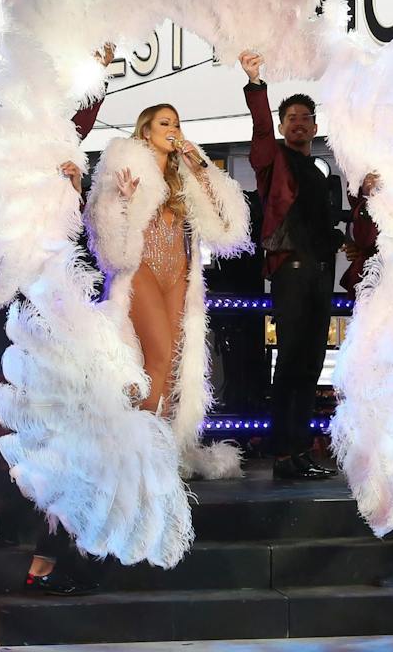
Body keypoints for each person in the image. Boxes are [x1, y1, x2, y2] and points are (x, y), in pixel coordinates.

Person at [86, 102, 250, 468]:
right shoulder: (123, 165)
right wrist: (120, 199)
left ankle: (162, 445)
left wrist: (200, 168)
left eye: (176, 123)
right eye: (164, 123)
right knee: (158, 356)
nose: (173, 129)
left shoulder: (185, 176)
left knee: (175, 364)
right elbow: (101, 228)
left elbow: (227, 225)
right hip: (142, 269)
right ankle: (142, 451)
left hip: (179, 273)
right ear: (146, 131)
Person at [238, 49, 342, 480]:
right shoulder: (273, 159)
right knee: (292, 361)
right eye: (291, 118)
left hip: (320, 271)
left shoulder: (319, 171)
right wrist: (256, 84)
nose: (298, 123)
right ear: (282, 126)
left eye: (305, 118)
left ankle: (299, 450)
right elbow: (261, 128)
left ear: (315, 127)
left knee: (311, 364)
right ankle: (283, 454)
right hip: (291, 269)